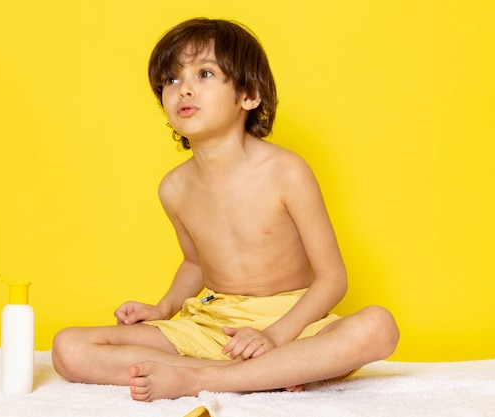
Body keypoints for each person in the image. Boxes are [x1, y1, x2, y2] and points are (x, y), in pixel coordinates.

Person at [52, 17, 399, 402]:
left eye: (204, 74)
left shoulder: (287, 172)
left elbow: (333, 278)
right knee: (69, 348)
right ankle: (255, 374)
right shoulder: (174, 187)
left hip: (290, 323)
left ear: (249, 95)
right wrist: (163, 308)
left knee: (379, 327)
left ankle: (198, 378)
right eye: (170, 80)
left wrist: (274, 336)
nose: (183, 89)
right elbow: (195, 264)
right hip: (211, 323)